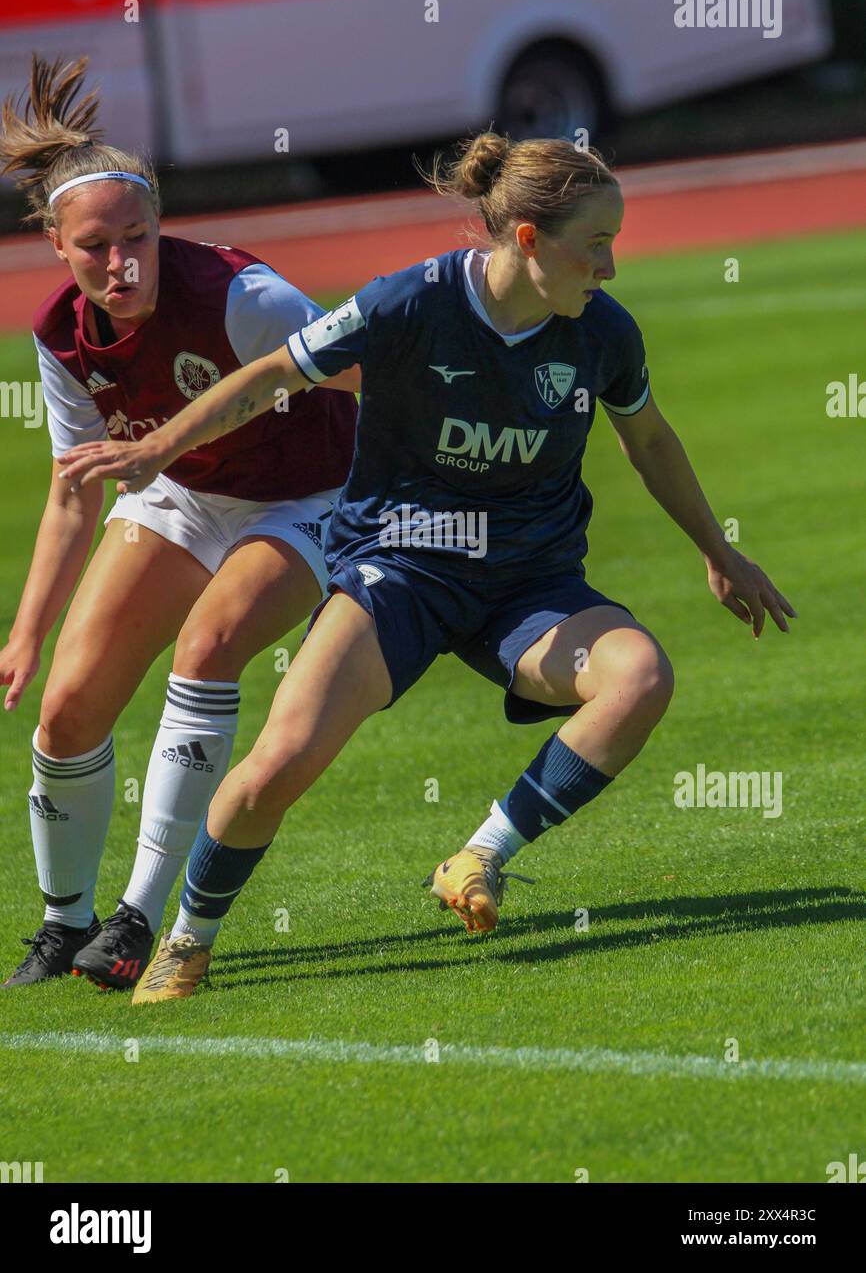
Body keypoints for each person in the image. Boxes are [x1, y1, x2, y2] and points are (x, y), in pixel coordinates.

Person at [57, 132, 795, 1004]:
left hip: (530, 587)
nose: (610, 266)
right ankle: (188, 938)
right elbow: (269, 378)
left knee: (639, 678)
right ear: (527, 238)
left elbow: (651, 442)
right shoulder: (407, 303)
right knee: (275, 766)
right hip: (397, 574)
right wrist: (159, 449)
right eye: (596, 243)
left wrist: (719, 550)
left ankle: (480, 854)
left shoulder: (603, 334)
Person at [0, 55, 359, 988]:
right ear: (56, 246)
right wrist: (27, 630)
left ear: (161, 227)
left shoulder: (244, 296)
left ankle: (137, 918)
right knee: (68, 707)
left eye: (138, 238)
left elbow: (372, 373)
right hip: (183, 496)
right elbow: (76, 486)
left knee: (210, 646)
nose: (120, 263)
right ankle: (61, 925)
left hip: (307, 495)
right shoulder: (60, 335)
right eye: (95, 248)